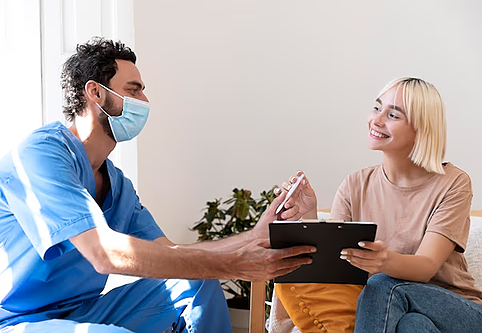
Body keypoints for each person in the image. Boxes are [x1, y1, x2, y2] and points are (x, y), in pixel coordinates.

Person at [0, 37, 316, 333]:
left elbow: (171, 253)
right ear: (96, 93)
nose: (145, 100)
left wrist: (254, 236)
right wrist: (234, 263)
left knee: (198, 283)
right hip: (17, 321)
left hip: (84, 310)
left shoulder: (117, 184)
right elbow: (103, 252)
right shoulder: (40, 155)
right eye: (134, 90)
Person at [276, 77, 482, 333]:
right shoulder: (354, 184)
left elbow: (426, 266)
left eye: (393, 115)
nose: (377, 120)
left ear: (422, 129)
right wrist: (309, 217)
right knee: (412, 326)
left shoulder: (453, 183)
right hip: (397, 315)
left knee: (384, 283)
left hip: (464, 317)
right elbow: (338, 269)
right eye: (376, 108)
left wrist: (384, 262)